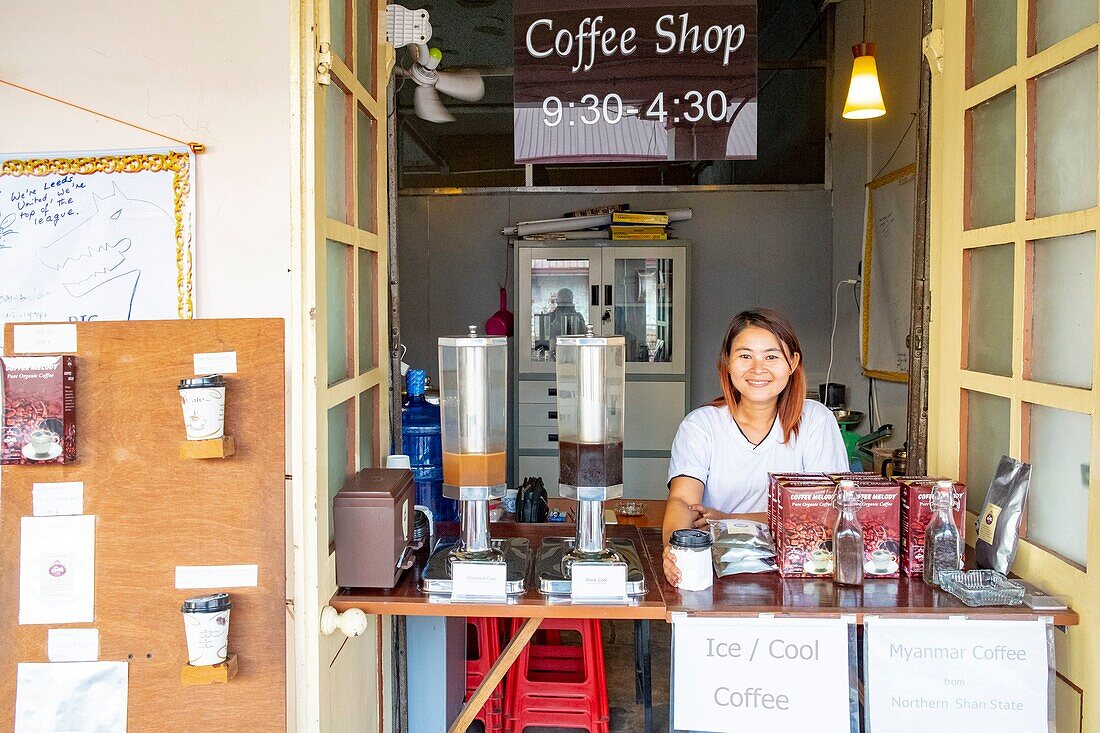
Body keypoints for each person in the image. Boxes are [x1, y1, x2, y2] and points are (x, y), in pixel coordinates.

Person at [661, 308, 848, 585]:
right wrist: (676, 550)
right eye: (745, 356)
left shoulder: (816, 421)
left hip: (802, 571)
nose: (757, 369)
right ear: (727, 362)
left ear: (793, 363)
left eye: (771, 357)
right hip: (717, 571)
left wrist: (728, 522)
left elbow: (825, 512)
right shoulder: (701, 425)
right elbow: (682, 500)